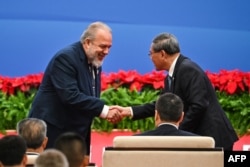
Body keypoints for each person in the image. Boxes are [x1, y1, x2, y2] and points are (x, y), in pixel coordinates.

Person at [114, 32, 238, 150]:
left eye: (150, 53)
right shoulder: (173, 74)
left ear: (162, 54)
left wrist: (177, 133)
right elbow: (162, 105)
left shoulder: (187, 69)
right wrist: (129, 111)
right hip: (200, 140)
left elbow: (199, 105)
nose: (150, 58)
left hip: (215, 140)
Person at [28, 21, 121, 164]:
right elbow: (70, 96)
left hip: (75, 131)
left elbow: (89, 97)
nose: (106, 52)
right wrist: (104, 110)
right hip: (54, 132)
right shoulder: (66, 58)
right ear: (88, 42)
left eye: (109, 47)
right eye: (103, 46)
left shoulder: (94, 61)